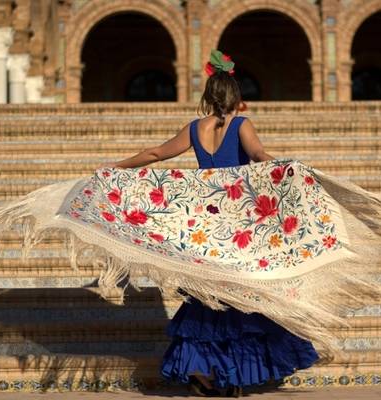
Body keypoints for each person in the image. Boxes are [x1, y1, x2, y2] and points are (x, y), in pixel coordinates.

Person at [101, 50, 319, 397]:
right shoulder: (241, 125)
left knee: (208, 298)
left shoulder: (195, 128)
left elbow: (156, 154)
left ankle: (206, 372)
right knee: (241, 297)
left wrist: (116, 167)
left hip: (206, 225)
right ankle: (226, 373)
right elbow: (260, 157)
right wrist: (292, 170)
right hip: (239, 225)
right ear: (236, 97)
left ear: (209, 96)